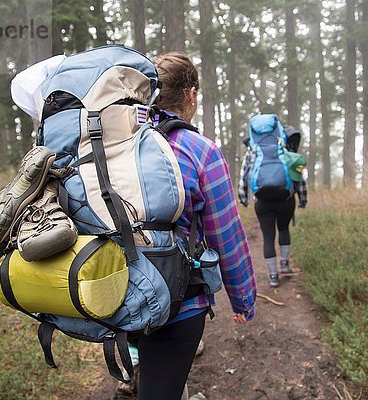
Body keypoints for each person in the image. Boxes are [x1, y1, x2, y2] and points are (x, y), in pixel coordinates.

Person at [119, 51, 256, 400]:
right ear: (191, 94)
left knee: (159, 375)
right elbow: (226, 236)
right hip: (180, 301)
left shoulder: (118, 143)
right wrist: (243, 300)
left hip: (116, 289)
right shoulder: (200, 151)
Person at [238, 128, 308, 288]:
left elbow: (244, 177)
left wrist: (244, 199)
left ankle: (272, 276)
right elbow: (299, 177)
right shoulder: (284, 149)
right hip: (286, 199)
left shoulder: (252, 152)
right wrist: (303, 199)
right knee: (284, 229)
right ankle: (284, 265)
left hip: (262, 202)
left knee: (268, 237)